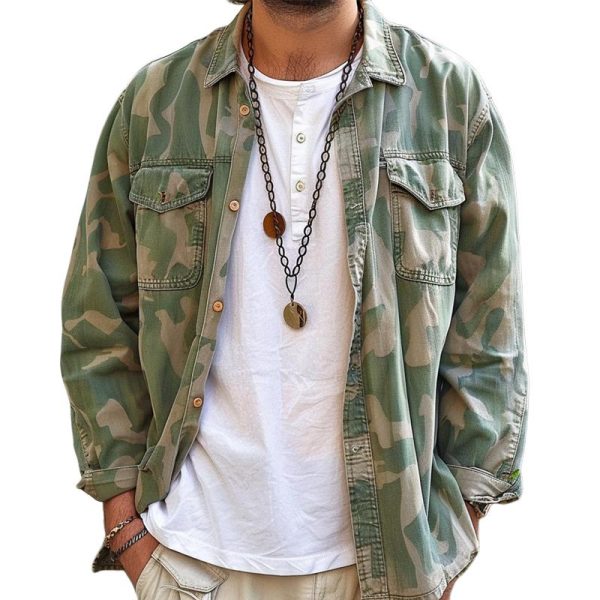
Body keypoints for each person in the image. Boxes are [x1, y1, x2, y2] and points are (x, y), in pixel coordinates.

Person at [59, 0, 529, 598]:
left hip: (391, 565)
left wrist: (455, 529)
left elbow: (489, 334)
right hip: (189, 559)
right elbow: (98, 319)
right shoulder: (156, 102)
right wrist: (127, 531)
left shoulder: (447, 100)